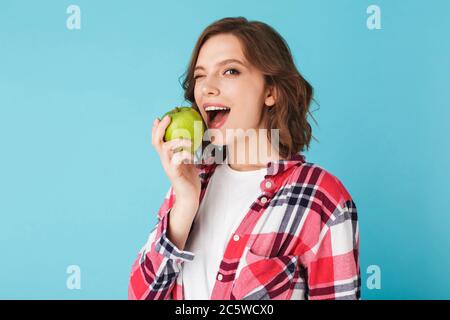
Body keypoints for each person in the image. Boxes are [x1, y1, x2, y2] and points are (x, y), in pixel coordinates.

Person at [128, 17, 360, 300]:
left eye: (230, 71)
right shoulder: (192, 180)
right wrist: (186, 202)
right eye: (200, 75)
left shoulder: (322, 198)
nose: (207, 88)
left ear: (270, 91)